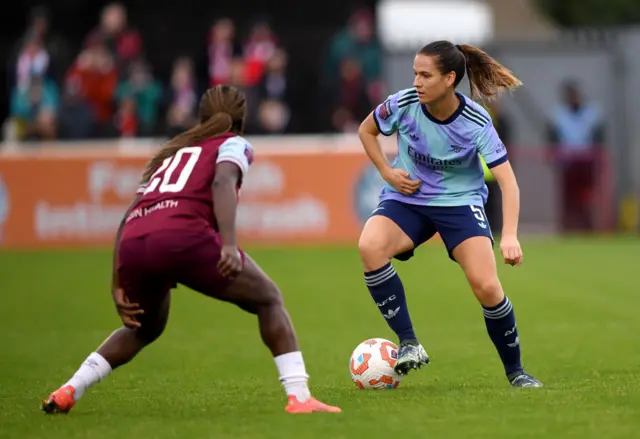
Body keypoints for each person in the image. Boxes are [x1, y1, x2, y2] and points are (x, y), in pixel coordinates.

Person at [41, 85, 341, 414]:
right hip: (182, 235)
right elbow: (223, 182)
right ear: (242, 118)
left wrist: (117, 280)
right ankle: (299, 397)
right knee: (269, 298)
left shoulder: (172, 153)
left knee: (143, 328)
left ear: (202, 116)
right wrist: (227, 243)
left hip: (134, 242)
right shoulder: (233, 143)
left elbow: (131, 212)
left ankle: (70, 389)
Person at [357, 41, 542, 388]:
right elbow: (366, 130)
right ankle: (409, 342)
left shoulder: (475, 120)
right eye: (415, 73)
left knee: (487, 286)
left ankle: (517, 372)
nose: (417, 82)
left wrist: (511, 235)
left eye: (425, 75)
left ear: (449, 79)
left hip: (459, 203)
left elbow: (508, 183)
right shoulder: (403, 104)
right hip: (408, 198)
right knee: (369, 246)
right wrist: (385, 170)